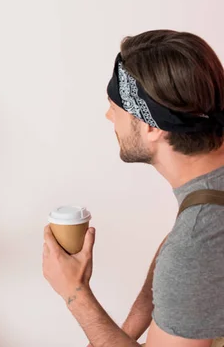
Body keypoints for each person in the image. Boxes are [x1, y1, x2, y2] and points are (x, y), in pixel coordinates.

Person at [42, 30, 224, 346]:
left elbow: (192, 251)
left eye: (116, 107)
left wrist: (74, 293)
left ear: (152, 125)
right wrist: (126, 333)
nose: (108, 116)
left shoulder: (198, 239)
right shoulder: (206, 207)